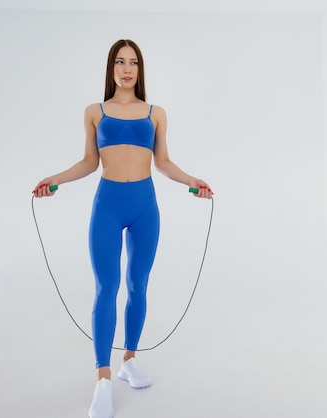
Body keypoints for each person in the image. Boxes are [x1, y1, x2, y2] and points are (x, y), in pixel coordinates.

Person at [33, 39, 213, 418]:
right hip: (108, 206)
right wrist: (56, 179)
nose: (127, 68)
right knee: (106, 287)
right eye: (120, 62)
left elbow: (163, 162)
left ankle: (128, 359)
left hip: (146, 207)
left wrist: (193, 182)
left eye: (133, 62)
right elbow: (88, 162)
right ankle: (102, 378)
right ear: (111, 69)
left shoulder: (156, 113)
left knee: (138, 285)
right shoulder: (95, 112)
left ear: (140, 69)